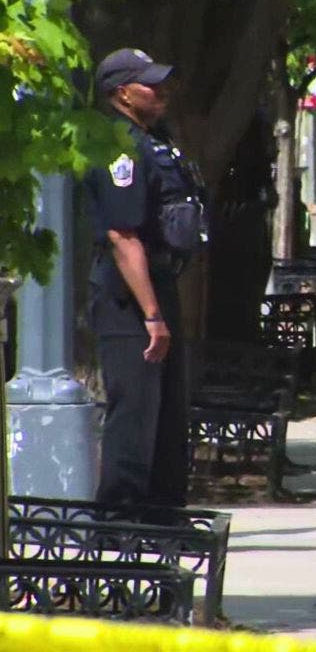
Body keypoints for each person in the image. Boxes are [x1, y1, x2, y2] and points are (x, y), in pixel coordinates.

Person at [86, 48, 207, 507]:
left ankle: (161, 519)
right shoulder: (117, 145)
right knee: (134, 414)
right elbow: (122, 235)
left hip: (159, 284)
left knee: (170, 415)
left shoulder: (155, 139)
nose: (161, 92)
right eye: (149, 85)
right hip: (128, 299)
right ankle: (120, 526)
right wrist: (152, 316)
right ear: (122, 93)